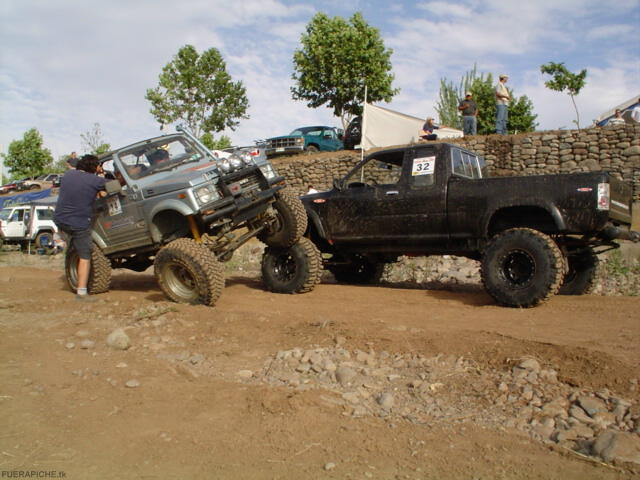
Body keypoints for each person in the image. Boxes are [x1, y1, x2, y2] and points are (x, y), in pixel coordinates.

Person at [54, 155, 107, 301]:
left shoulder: (68, 175)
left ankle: (61, 237)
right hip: (78, 223)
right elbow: (113, 186)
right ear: (95, 167)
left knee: (73, 237)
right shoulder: (96, 180)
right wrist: (102, 175)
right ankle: (81, 293)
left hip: (59, 219)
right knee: (85, 256)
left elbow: (74, 171)